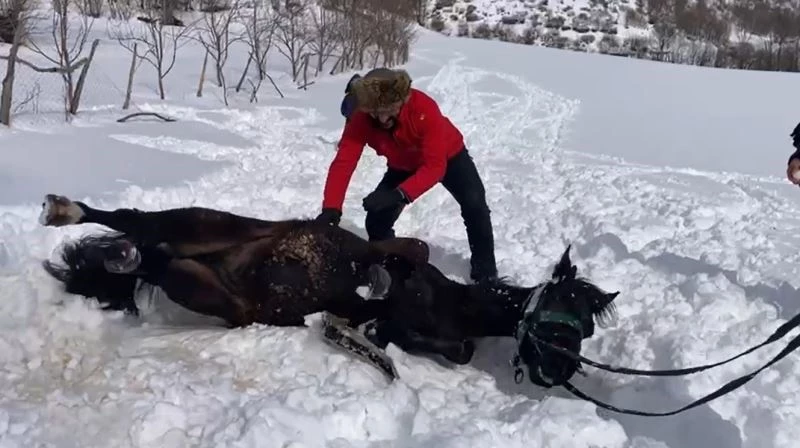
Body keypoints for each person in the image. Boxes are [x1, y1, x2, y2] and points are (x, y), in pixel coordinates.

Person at [314, 67, 499, 284]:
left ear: (400, 101)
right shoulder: (360, 118)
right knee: (376, 221)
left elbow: (435, 167)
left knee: (475, 206)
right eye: (375, 112)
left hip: (449, 157)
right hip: (402, 164)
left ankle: (486, 275)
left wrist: (399, 194)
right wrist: (331, 208)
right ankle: (389, 272)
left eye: (388, 110)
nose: (382, 119)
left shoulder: (424, 108)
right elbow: (344, 163)